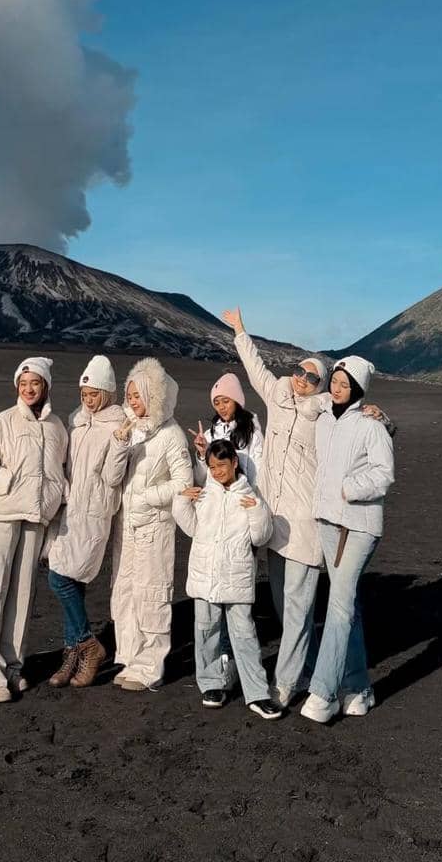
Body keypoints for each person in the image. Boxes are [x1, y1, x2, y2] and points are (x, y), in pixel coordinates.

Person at [221, 307, 393, 708]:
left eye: (312, 377)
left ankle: (285, 685)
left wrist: (382, 416)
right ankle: (311, 668)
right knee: (286, 609)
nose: (303, 379)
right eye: (300, 372)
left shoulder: (324, 415)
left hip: (304, 526)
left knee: (299, 610)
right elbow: (255, 368)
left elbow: (358, 419)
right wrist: (241, 332)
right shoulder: (277, 398)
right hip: (274, 522)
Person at [301, 356, 394, 723]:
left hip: (358, 525)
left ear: (357, 388)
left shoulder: (371, 425)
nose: (336, 388)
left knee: (337, 608)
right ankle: (358, 689)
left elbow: (384, 472)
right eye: (334, 381)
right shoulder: (324, 419)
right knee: (348, 606)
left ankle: (323, 693)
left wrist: (349, 489)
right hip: (327, 522)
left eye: (344, 383)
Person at [0, 356, 67, 703]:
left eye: (35, 383)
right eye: (23, 383)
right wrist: (10, 483)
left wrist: (55, 502)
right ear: (16, 386)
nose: (29, 389)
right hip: (1, 515)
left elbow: (61, 471)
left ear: (46, 387)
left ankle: (12, 666)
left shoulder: (57, 427)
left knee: (23, 594)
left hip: (36, 518)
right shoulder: (2, 423)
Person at [174, 440, 283, 720]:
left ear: (234, 463)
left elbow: (261, 537)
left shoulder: (250, 495)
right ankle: (212, 684)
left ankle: (257, 693)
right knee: (206, 630)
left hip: (236, 576)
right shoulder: (205, 495)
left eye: (222, 465)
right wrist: (182, 501)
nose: (217, 471)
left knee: (244, 634)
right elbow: (191, 528)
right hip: (204, 575)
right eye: (211, 466)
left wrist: (257, 511)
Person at [45, 355, 130, 690]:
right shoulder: (76, 422)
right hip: (69, 512)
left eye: (93, 393)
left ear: (107, 393)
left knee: (60, 579)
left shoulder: (117, 427)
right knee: (71, 583)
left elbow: (112, 480)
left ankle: (88, 644)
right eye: (84, 393)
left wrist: (121, 444)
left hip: (94, 515)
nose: (88, 399)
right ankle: (74, 654)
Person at [110, 357, 193, 691]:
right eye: (129, 395)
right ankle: (129, 656)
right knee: (126, 590)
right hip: (127, 526)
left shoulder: (171, 435)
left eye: (139, 395)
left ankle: (150, 665)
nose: (133, 401)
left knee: (152, 593)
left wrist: (147, 497)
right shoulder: (131, 430)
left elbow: (184, 482)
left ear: (154, 396)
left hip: (154, 527)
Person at [188, 372, 264, 488]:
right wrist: (202, 455)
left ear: (236, 401)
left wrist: (253, 500)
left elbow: (258, 478)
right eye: (217, 403)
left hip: (240, 499)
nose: (221, 407)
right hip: (214, 499)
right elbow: (200, 480)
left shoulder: (252, 434)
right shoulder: (209, 435)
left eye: (226, 401)